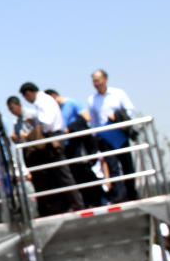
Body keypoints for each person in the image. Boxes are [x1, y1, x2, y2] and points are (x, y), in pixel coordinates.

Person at [19, 82, 83, 213]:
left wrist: (33, 132)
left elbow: (47, 123)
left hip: (52, 139)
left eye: (26, 98)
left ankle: (77, 203)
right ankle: (68, 204)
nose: (27, 100)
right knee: (57, 175)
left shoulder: (42, 101)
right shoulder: (46, 99)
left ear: (28, 93)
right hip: (54, 137)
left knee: (63, 174)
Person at [46, 88, 103, 207]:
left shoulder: (71, 103)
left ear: (54, 96)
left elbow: (86, 117)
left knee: (85, 170)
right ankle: (88, 200)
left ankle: (99, 197)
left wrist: (70, 129)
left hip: (78, 143)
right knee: (76, 173)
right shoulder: (57, 110)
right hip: (68, 145)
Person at [87, 69, 138, 201]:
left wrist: (118, 117)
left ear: (105, 79)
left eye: (98, 80)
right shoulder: (92, 100)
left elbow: (130, 110)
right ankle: (119, 195)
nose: (96, 83)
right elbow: (93, 121)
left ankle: (132, 193)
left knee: (127, 166)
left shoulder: (118, 93)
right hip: (105, 137)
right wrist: (95, 138)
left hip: (120, 134)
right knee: (112, 166)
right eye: (94, 81)